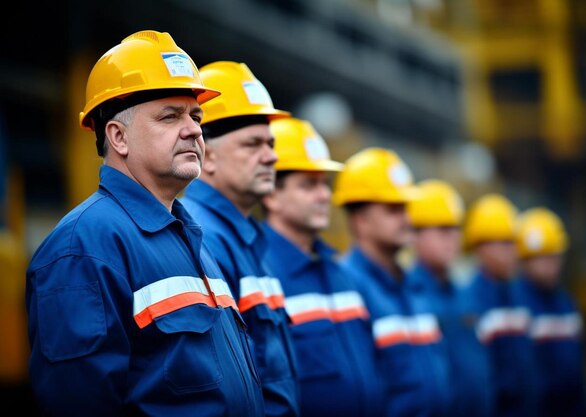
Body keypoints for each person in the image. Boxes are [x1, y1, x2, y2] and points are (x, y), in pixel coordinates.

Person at [25, 31, 264, 417]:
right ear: (117, 136)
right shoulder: (83, 248)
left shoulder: (190, 238)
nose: (193, 129)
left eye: (196, 116)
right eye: (170, 116)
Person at [179, 61, 299, 417]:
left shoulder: (245, 237)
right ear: (208, 155)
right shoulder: (204, 238)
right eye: (253, 144)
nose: (272, 156)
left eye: (271, 144)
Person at [260, 117, 386, 417]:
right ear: (272, 195)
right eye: (308, 185)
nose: (325, 195)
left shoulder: (340, 273)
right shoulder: (262, 274)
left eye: (325, 184)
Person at [333, 148, 452, 417]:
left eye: (406, 208)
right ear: (361, 220)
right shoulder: (346, 286)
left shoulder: (414, 285)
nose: (406, 219)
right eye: (393, 210)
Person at [406, 179, 494, 417]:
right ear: (415, 234)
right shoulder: (408, 295)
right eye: (443, 229)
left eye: (456, 228)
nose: (453, 237)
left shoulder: (465, 294)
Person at [462, 193, 538, 417]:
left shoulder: (520, 296)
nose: (514, 252)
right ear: (480, 247)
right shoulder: (470, 302)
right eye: (505, 243)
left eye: (514, 243)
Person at [512, 207, 586, 417]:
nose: (551, 265)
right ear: (524, 260)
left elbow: (577, 372)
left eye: (555, 256)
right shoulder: (514, 306)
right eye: (543, 258)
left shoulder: (566, 304)